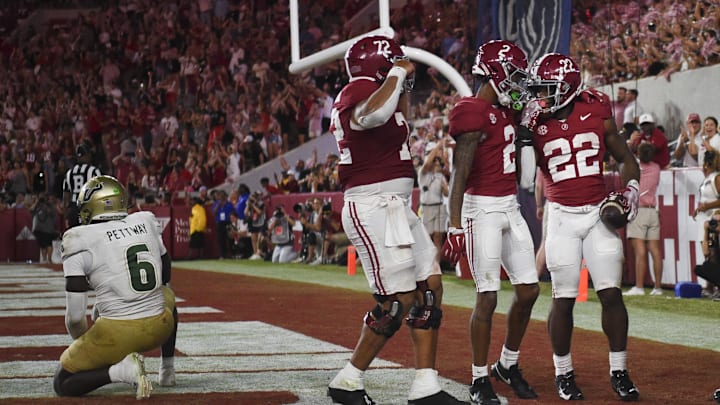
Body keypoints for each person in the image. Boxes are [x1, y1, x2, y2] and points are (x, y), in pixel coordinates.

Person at [326, 35, 466, 405]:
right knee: (397, 299)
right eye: (394, 64)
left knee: (430, 287)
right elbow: (369, 115)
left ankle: (425, 386)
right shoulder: (359, 89)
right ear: (379, 66)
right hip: (371, 205)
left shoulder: (380, 90)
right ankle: (347, 381)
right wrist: (396, 74)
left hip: (397, 206)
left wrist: (395, 80)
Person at [524, 53, 641, 401]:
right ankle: (563, 373)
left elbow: (625, 157)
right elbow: (526, 177)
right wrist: (524, 135)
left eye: (549, 88)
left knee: (611, 293)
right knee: (563, 298)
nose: (542, 95)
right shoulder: (533, 119)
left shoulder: (597, 108)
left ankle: (619, 370)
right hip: (561, 216)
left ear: (569, 88)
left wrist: (632, 189)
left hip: (596, 213)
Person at [444, 39, 540, 404]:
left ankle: (507, 364)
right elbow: (459, 172)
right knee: (487, 296)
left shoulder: (507, 111)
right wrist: (454, 224)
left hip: (510, 206)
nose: (518, 85)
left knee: (529, 290)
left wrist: (528, 129)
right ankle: (479, 377)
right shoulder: (471, 110)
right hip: (480, 209)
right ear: (496, 74)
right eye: (514, 77)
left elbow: (525, 178)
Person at [54, 175, 178, 399]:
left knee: (63, 382)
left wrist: (86, 340)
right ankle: (167, 368)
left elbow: (74, 318)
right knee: (168, 295)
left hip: (118, 335)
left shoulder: (78, 238)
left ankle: (122, 371)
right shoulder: (145, 221)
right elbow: (165, 274)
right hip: (162, 325)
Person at [624, 143, 663, 296]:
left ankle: (639, 287)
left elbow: (624, 159)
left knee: (640, 250)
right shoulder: (656, 168)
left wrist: (630, 144)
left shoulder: (635, 166)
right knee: (655, 250)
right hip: (653, 211)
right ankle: (657, 287)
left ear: (639, 154)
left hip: (638, 211)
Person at [693, 150, 720, 299]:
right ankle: (710, 287)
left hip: (714, 219)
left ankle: (716, 287)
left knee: (714, 252)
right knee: (708, 253)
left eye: (706, 163)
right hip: (705, 218)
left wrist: (707, 207)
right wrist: (699, 209)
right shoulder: (708, 178)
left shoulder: (717, 178)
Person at [418, 139, 449, 258]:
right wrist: (438, 146)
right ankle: (427, 265)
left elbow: (446, 194)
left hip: (439, 206)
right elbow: (427, 164)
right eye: (434, 159)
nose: (435, 161)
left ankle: (436, 266)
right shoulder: (423, 172)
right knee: (427, 237)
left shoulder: (440, 175)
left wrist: (444, 188)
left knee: (438, 238)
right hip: (427, 208)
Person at [63, 141, 102, 229]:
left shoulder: (69, 173)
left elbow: (66, 197)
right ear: (87, 155)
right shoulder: (93, 171)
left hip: (73, 209)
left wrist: (66, 216)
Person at [30, 193, 59, 263]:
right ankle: (44, 260)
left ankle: (49, 259)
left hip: (48, 229)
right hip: (39, 229)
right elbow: (31, 210)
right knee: (43, 246)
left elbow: (52, 213)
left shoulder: (50, 205)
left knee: (48, 244)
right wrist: (37, 202)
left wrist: (46, 204)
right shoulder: (38, 205)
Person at [212, 190, 234, 259]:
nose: (221, 196)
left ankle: (231, 253)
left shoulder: (229, 203)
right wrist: (218, 205)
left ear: (225, 196)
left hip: (228, 222)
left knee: (230, 238)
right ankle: (223, 254)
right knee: (221, 239)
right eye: (220, 195)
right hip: (220, 223)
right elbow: (214, 213)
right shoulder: (216, 203)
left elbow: (232, 212)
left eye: (222, 195)